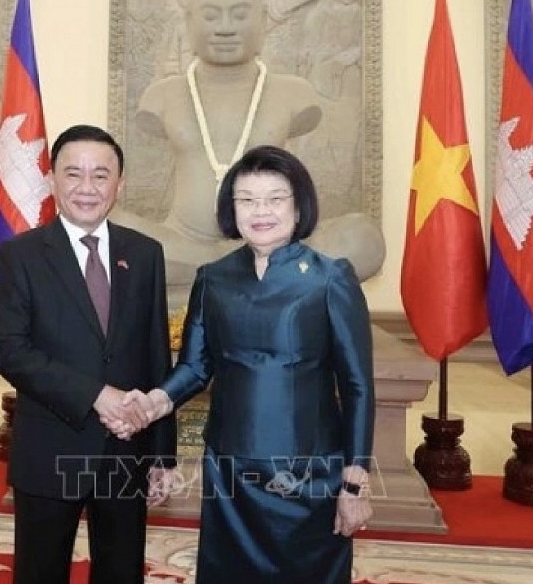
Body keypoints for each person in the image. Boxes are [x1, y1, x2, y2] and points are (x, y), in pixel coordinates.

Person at [110, 145, 375, 583]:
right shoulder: (213, 278)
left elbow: (357, 385)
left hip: (309, 473)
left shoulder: (331, 278)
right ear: (231, 209)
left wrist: (354, 481)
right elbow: (195, 368)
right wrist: (155, 401)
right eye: (247, 199)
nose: (261, 211)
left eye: (275, 198)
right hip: (232, 471)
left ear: (298, 206)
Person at [112, 0, 385, 303]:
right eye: (211, 15)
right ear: (189, 21)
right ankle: (243, 271)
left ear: (262, 19)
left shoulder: (294, 92)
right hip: (182, 241)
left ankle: (231, 270)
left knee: (363, 239)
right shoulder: (162, 95)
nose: (225, 27)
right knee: (112, 231)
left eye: (240, 15)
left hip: (275, 243)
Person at [0, 124, 177, 584]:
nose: (86, 188)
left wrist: (162, 455)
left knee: (121, 571)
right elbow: (10, 351)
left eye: (100, 175)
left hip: (126, 449)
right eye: (73, 174)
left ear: (119, 183)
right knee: (40, 571)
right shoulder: (21, 255)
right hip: (51, 446)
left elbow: (156, 355)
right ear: (52, 180)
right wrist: (96, 395)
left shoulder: (146, 253)